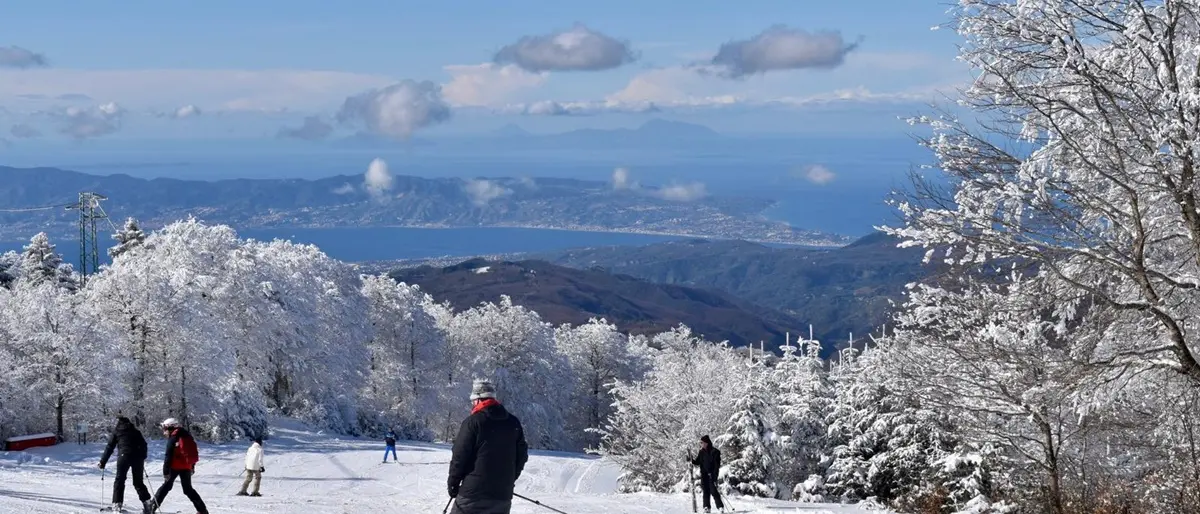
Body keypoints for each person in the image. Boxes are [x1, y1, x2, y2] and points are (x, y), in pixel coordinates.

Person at [447, 379, 529, 514]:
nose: (472, 405)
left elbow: (459, 456)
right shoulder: (513, 422)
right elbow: (522, 456)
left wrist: (453, 483)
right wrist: (507, 480)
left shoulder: (473, 422)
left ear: (479, 400)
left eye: (473, 401)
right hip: (502, 496)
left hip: (473, 494)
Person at [150, 418, 208, 514]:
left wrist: (165, 471)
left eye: (164, 428)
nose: (164, 431)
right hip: (186, 466)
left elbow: (168, 455)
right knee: (188, 489)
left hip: (175, 466)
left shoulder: (173, 437)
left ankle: (151, 508)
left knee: (165, 487)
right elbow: (191, 452)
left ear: (169, 427)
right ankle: (202, 510)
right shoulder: (187, 435)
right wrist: (192, 466)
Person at [98, 416, 152, 513]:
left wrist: (103, 461)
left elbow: (110, 447)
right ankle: (148, 503)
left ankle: (117, 504)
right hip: (138, 458)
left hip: (124, 457)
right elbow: (144, 445)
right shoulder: (136, 431)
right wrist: (143, 456)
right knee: (138, 482)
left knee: (120, 480)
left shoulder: (117, 432)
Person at [691, 435, 725, 513]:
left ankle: (720, 507)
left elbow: (717, 465)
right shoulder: (701, 452)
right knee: (705, 491)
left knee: (713, 491)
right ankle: (706, 507)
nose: (701, 444)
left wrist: (714, 475)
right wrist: (691, 460)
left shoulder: (715, 452)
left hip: (712, 474)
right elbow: (698, 462)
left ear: (706, 443)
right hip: (704, 475)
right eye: (701, 443)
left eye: (702, 442)